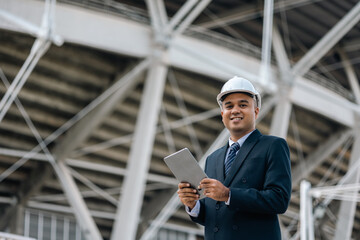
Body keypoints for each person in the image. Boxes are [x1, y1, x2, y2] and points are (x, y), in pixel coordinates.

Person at [177, 76, 292, 240]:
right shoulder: (213, 159)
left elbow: (278, 199)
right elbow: (214, 215)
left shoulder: (273, 146)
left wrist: (228, 194)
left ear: (256, 111)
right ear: (222, 114)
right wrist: (193, 205)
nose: (235, 110)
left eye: (243, 105)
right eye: (229, 106)